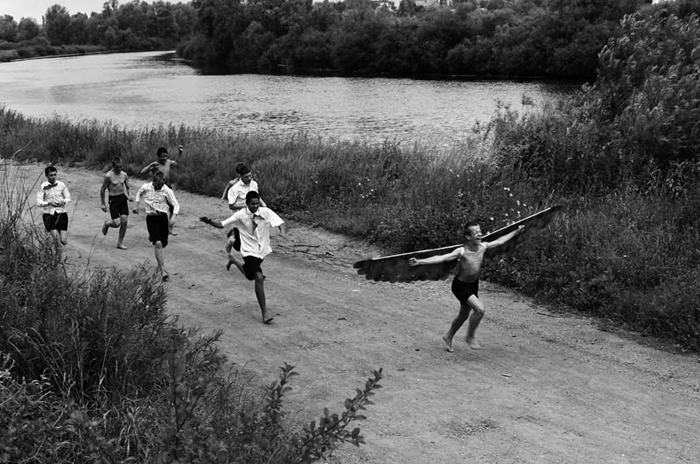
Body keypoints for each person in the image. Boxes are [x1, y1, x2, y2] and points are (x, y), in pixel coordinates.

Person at [409, 221, 525, 352]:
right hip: (460, 286)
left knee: (463, 315)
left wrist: (516, 232)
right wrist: (420, 261)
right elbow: (441, 258)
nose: (479, 234)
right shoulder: (462, 251)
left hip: (473, 285)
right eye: (475, 233)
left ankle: (448, 336)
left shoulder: (483, 246)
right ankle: (470, 336)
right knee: (480, 310)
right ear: (468, 237)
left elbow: (499, 241)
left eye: (480, 231)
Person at [199, 191, 287, 324]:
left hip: (261, 251)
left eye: (257, 203)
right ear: (246, 204)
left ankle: (233, 260)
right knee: (258, 278)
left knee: (250, 276)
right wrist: (209, 221)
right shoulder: (240, 215)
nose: (255, 206)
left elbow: (280, 222)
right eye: (252, 204)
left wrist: (283, 233)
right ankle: (265, 313)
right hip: (248, 251)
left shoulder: (265, 212)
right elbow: (221, 224)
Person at [132, 172, 180, 282]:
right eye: (159, 184)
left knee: (163, 243)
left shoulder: (167, 190)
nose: (161, 186)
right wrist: (136, 205)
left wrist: (173, 217)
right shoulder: (146, 187)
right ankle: (163, 271)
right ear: (153, 182)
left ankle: (154, 239)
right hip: (151, 217)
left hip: (163, 218)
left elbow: (176, 204)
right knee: (158, 243)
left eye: (162, 183)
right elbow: (139, 193)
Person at [222, 163, 266, 270]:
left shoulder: (254, 184)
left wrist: (263, 204)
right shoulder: (235, 189)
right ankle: (232, 240)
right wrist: (246, 205)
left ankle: (253, 264)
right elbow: (231, 205)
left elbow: (256, 196)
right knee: (238, 246)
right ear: (240, 176)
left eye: (250, 175)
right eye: (246, 177)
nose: (249, 178)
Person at [140, 144, 183, 235]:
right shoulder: (155, 165)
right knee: (158, 210)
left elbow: (176, 163)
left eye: (166, 156)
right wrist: (150, 165)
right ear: (158, 157)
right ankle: (154, 230)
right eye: (163, 156)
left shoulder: (168, 162)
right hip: (158, 189)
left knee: (172, 208)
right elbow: (142, 172)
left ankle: (169, 229)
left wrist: (180, 153)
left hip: (167, 187)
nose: (165, 158)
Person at [36, 165, 71, 259]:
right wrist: (48, 203)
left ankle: (48, 248)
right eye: (51, 175)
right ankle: (58, 260)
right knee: (56, 239)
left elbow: (68, 198)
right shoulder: (43, 186)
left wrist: (63, 201)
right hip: (49, 214)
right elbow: (38, 202)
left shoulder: (61, 185)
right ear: (47, 176)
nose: (53, 177)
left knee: (63, 240)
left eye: (55, 175)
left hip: (62, 213)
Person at [100, 157, 131, 250]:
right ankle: (107, 224)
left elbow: (128, 187)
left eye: (121, 167)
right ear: (113, 166)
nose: (120, 169)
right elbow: (102, 190)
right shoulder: (108, 176)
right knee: (117, 223)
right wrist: (103, 204)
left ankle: (120, 243)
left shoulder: (124, 175)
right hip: (113, 199)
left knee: (124, 220)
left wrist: (129, 196)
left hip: (122, 198)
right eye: (118, 167)